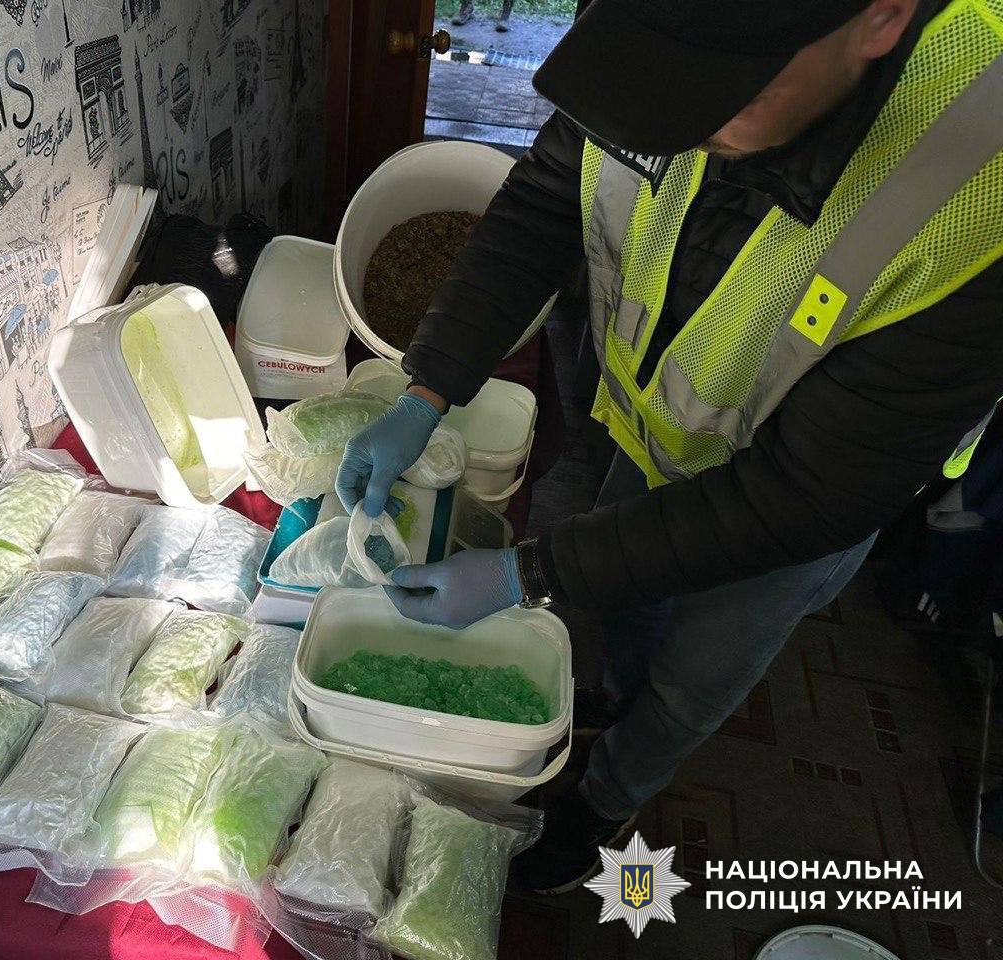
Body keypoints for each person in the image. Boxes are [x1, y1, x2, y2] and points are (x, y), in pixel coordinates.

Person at [335, 0, 1003, 894]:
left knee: (698, 675)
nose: (673, 127)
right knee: (625, 585)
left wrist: (526, 574)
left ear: (882, 17)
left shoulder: (978, 193)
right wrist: (427, 387)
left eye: (721, 96)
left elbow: (802, 495)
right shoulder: (652, 40)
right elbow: (549, 195)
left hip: (798, 503)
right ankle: (612, 690)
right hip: (653, 424)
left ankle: (604, 802)